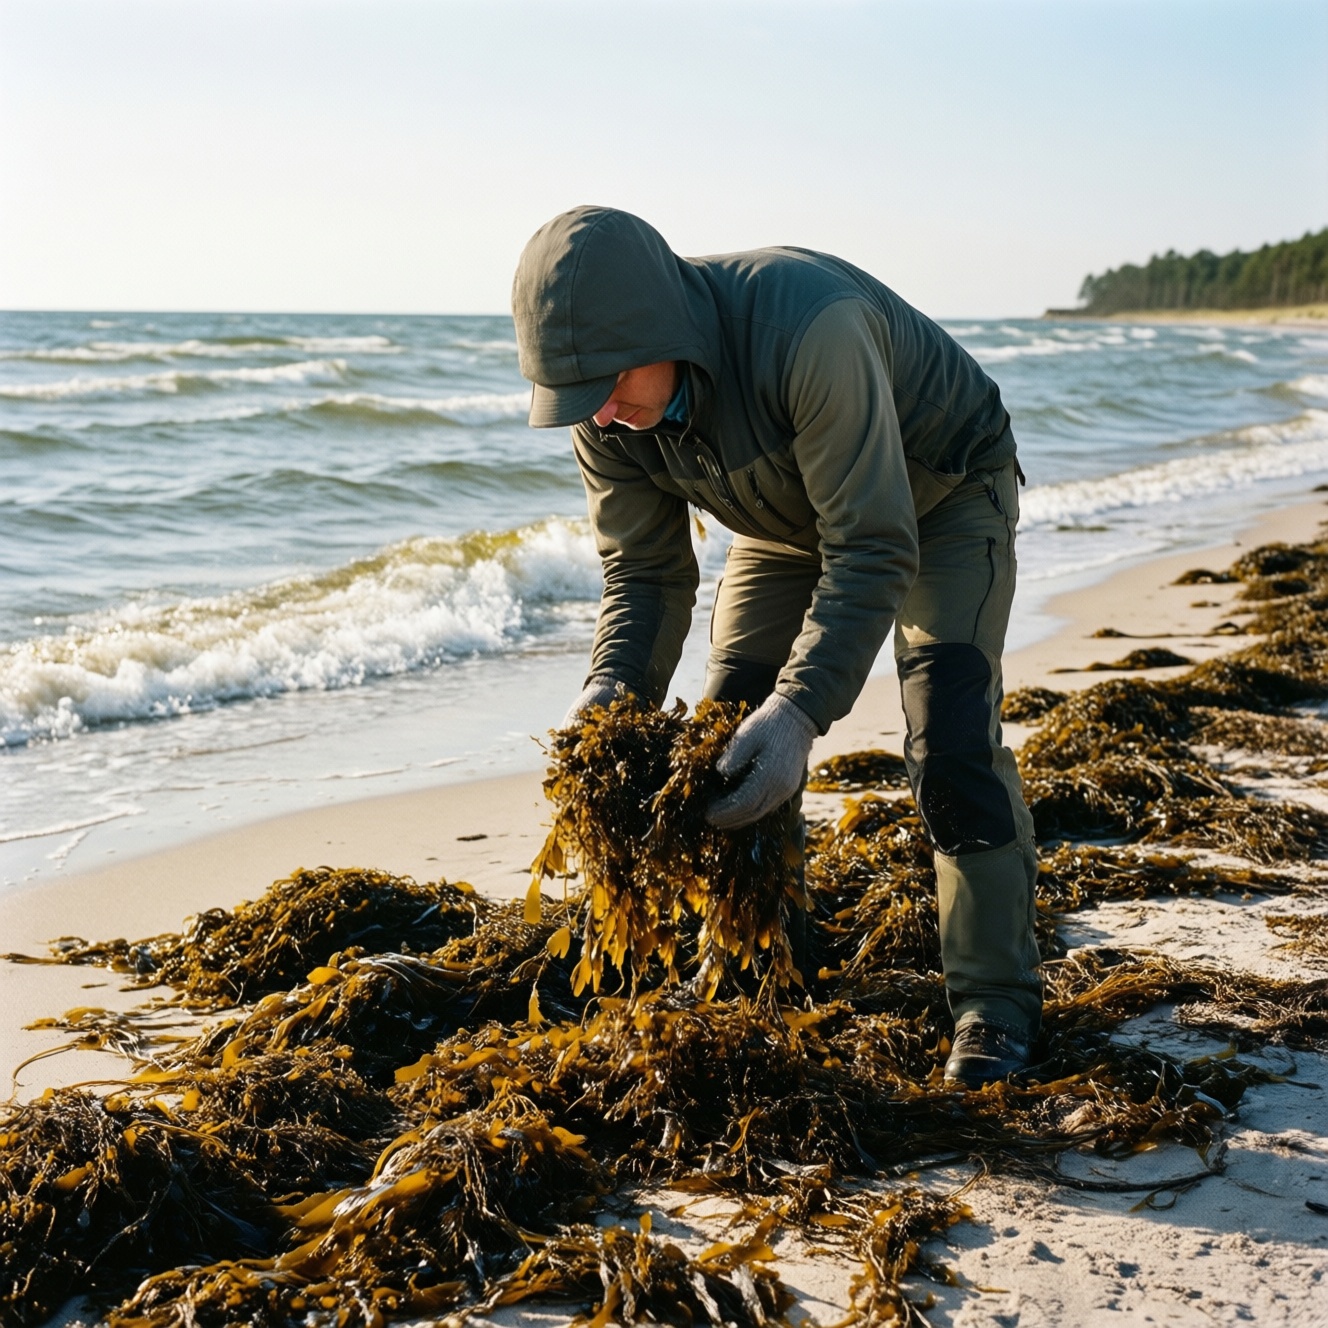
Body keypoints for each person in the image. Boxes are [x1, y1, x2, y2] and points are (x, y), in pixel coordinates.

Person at [510, 205, 1040, 1088]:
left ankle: (995, 1006)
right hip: (782, 520)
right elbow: (643, 573)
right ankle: (769, 968)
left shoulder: (807, 330)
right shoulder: (601, 412)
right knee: (725, 738)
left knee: (947, 740)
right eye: (572, 398)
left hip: (944, 492)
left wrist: (801, 712)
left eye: (603, 384)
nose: (596, 415)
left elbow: (872, 546)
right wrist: (610, 690)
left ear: (661, 332)